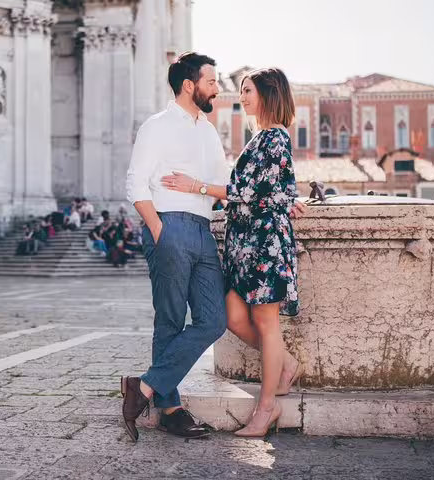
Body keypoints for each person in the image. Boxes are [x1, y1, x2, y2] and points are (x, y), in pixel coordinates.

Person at [161, 67, 304, 437]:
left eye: (249, 90)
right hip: (247, 244)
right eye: (241, 90)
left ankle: (266, 408)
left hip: (265, 245)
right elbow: (271, 188)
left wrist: (198, 187)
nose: (243, 96)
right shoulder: (259, 139)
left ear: (269, 93)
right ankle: (286, 363)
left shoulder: (275, 137)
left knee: (267, 324)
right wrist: (287, 197)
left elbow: (253, 193)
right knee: (232, 316)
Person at [121, 52, 229, 442]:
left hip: (203, 229)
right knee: (169, 319)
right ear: (190, 85)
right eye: (212, 81)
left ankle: (145, 387)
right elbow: (136, 183)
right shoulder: (158, 125)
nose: (217, 87)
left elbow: (223, 187)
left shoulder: (209, 130)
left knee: (214, 320)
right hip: (169, 225)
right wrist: (158, 229)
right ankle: (170, 410)